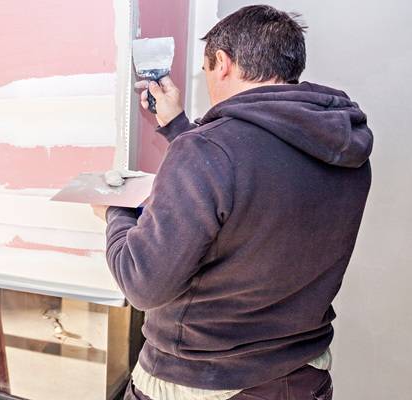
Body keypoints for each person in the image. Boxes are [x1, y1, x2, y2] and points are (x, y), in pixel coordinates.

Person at [94, 5, 372, 400]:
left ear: (222, 63)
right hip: (302, 377)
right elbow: (259, 185)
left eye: (206, 71)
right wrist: (179, 130)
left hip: (203, 381)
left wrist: (115, 212)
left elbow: (142, 283)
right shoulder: (344, 147)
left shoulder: (209, 151)